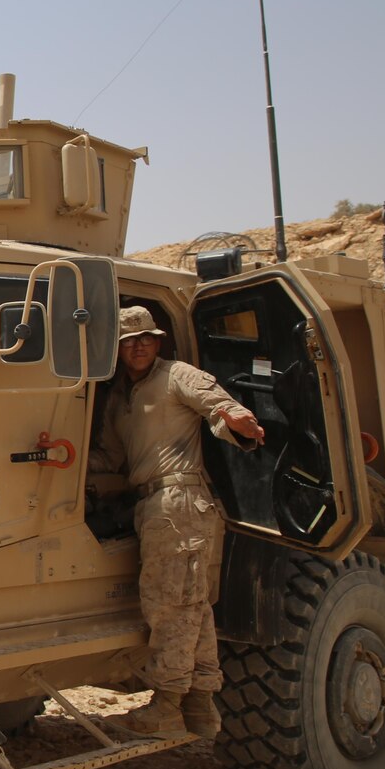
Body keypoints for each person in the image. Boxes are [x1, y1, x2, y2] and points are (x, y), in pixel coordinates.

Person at [92, 306, 265, 737]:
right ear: (116, 350)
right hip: (154, 505)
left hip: (178, 501)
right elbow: (111, 457)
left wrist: (235, 420)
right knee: (193, 606)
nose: (139, 346)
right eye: (130, 341)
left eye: (147, 338)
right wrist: (67, 460)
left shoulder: (176, 375)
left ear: (159, 341)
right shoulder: (120, 398)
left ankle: (167, 705)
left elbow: (216, 405)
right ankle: (201, 706)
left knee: (168, 603)